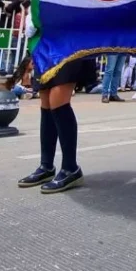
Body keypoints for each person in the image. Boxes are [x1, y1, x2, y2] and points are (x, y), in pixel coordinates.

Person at [17, 49, 98, 193]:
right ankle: (46, 166)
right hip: (46, 44)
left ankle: (70, 168)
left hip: (69, 43)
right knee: (46, 101)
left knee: (58, 101)